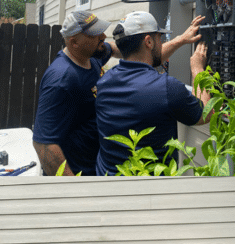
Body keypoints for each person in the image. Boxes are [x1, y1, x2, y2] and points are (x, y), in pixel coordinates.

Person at [95, 11, 211, 175]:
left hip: (108, 179)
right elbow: (206, 113)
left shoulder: (104, 82)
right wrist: (198, 70)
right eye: (159, 37)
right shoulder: (166, 87)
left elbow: (146, 59)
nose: (162, 41)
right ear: (149, 42)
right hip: (151, 190)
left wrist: (181, 39)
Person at [32, 11, 115, 175]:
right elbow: (44, 146)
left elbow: (112, 48)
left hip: (97, 164)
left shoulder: (91, 57)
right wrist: (72, 187)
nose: (103, 36)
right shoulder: (61, 80)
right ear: (74, 42)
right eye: (95, 34)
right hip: (79, 172)